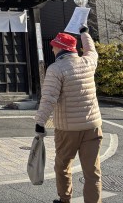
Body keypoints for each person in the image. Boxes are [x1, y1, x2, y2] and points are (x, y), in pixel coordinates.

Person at [35, 28, 102, 203]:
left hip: (67, 130)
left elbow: (49, 98)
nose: (52, 49)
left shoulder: (56, 69)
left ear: (60, 48)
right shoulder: (88, 62)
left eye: (54, 46)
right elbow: (91, 50)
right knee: (92, 172)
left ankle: (65, 199)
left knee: (63, 166)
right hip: (92, 127)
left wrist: (40, 122)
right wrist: (85, 33)